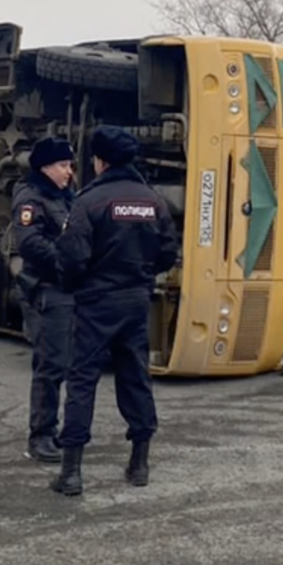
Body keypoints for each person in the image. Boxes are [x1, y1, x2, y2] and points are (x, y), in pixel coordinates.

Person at [50, 125, 181, 496]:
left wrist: (75, 284)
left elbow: (72, 256)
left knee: (82, 381)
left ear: (100, 161)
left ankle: (71, 473)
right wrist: (139, 276)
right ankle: (139, 465)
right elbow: (167, 253)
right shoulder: (153, 201)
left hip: (95, 302)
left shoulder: (89, 202)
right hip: (136, 300)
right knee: (135, 377)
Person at [8, 136, 76, 463]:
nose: (69, 172)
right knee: (50, 364)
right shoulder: (30, 198)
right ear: (45, 167)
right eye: (63, 165)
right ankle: (41, 435)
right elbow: (30, 242)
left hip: (65, 288)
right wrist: (66, 260)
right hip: (47, 288)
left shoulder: (63, 196)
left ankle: (53, 430)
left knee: (63, 362)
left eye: (70, 165)